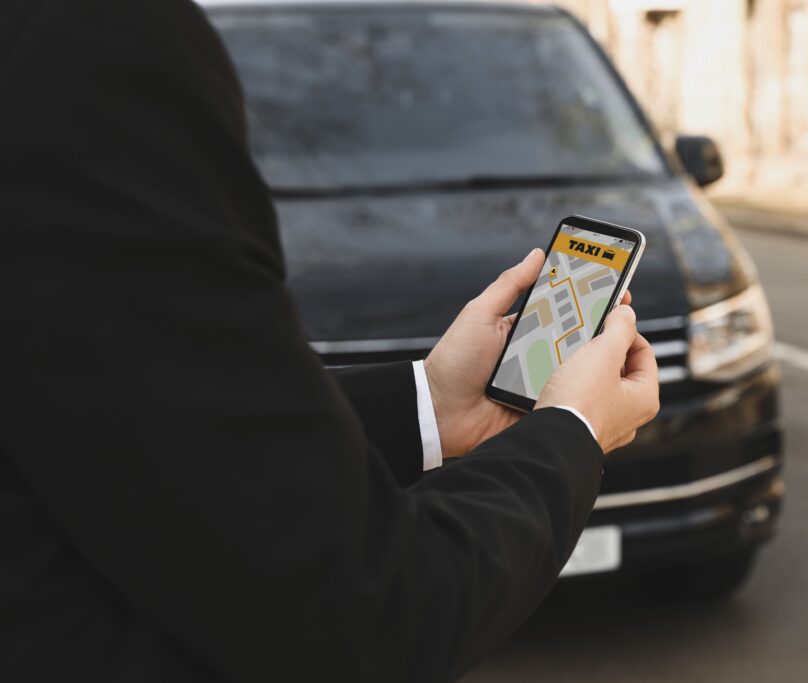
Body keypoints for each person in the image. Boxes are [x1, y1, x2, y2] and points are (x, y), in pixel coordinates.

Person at [0, 1, 660, 681]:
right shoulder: (86, 40)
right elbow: (374, 612)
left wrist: (428, 401)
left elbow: (139, 424)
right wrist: (572, 432)